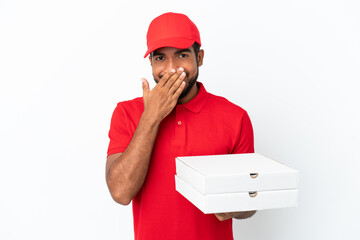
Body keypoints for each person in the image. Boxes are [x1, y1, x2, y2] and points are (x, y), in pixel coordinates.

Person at [106, 12, 256, 240]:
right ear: (150, 62)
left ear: (200, 57)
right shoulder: (126, 113)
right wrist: (151, 118)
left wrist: (238, 205)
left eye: (182, 55)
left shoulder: (235, 117)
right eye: (160, 58)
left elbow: (250, 202)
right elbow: (120, 192)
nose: (171, 68)